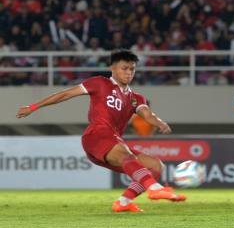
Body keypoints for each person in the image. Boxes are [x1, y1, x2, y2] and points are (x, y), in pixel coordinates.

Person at [16, 50, 186, 213]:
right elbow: (66, 94)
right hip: (96, 136)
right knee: (125, 153)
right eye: (124, 68)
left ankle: (123, 202)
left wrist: (159, 122)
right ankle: (155, 189)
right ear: (113, 68)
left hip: (112, 144)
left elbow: (147, 114)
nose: (129, 73)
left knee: (156, 166)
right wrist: (33, 106)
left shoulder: (135, 98)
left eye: (132, 69)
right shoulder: (100, 83)